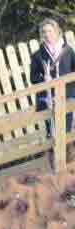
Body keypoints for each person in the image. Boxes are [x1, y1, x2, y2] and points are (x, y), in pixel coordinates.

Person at [30, 18, 75, 149]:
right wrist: (44, 79)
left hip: (67, 94)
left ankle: (67, 159)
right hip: (48, 98)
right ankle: (55, 160)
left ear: (56, 32)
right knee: (52, 130)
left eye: (50, 31)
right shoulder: (37, 56)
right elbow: (33, 77)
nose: (47, 34)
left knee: (66, 127)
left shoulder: (67, 51)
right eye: (44, 32)